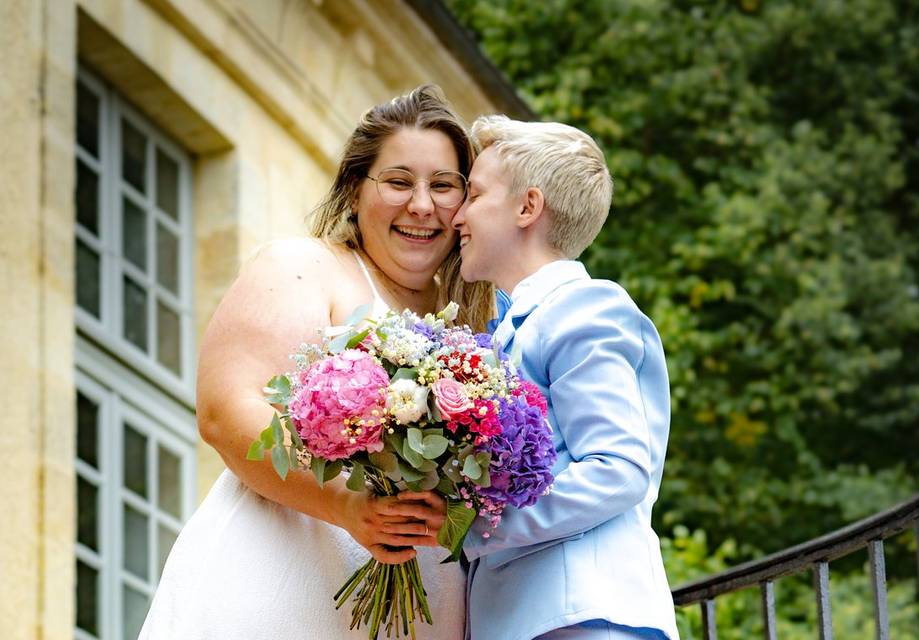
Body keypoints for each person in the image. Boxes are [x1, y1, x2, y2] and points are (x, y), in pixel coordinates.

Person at [139, 86, 494, 639]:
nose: (423, 205)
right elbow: (226, 409)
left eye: (444, 186)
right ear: (355, 191)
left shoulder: (477, 329)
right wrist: (348, 505)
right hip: (279, 588)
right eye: (399, 182)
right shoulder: (305, 265)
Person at [449, 115, 679, 640]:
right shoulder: (510, 329)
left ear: (527, 207)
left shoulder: (584, 308)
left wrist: (474, 528)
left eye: (476, 195)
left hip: (583, 617)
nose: (457, 215)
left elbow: (618, 468)